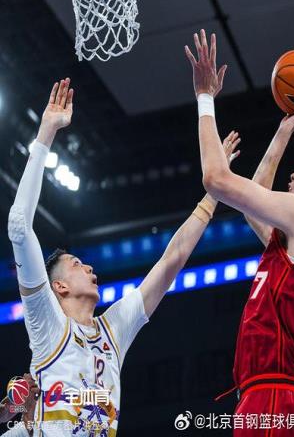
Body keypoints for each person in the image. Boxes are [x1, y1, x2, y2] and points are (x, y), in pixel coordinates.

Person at [7, 78, 240, 436]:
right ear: (59, 287)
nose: (88, 266)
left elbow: (172, 259)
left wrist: (215, 193)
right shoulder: (48, 324)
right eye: (76, 264)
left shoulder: (114, 328)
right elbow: (20, 226)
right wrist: (46, 132)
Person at [186, 30, 294, 436]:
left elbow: (216, 179)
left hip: (273, 397)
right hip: (271, 398)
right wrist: (285, 130)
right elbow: (255, 200)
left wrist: (204, 97)